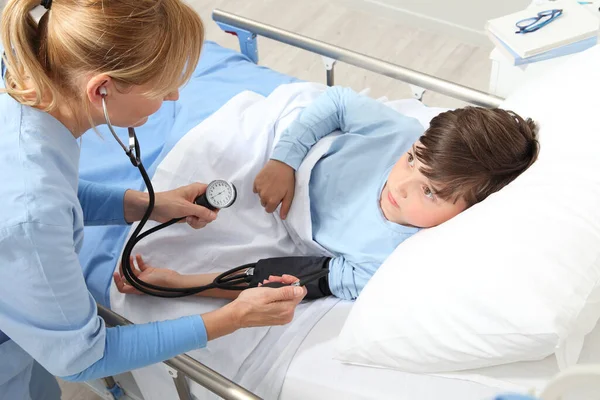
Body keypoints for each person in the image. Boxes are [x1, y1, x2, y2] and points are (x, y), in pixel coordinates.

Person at [0, 0, 306, 399]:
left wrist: (147, 204)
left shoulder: (27, 109)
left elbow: (56, 196)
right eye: (162, 88)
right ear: (102, 88)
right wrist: (232, 317)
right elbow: (83, 358)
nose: (176, 96)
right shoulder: (32, 208)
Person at [115, 86, 539, 302]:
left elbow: (292, 276)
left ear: (469, 212)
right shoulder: (397, 132)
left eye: (429, 192)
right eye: (411, 160)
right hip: (289, 154)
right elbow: (335, 102)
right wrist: (284, 159)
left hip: (285, 220)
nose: (400, 186)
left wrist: (182, 283)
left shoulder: (389, 261)